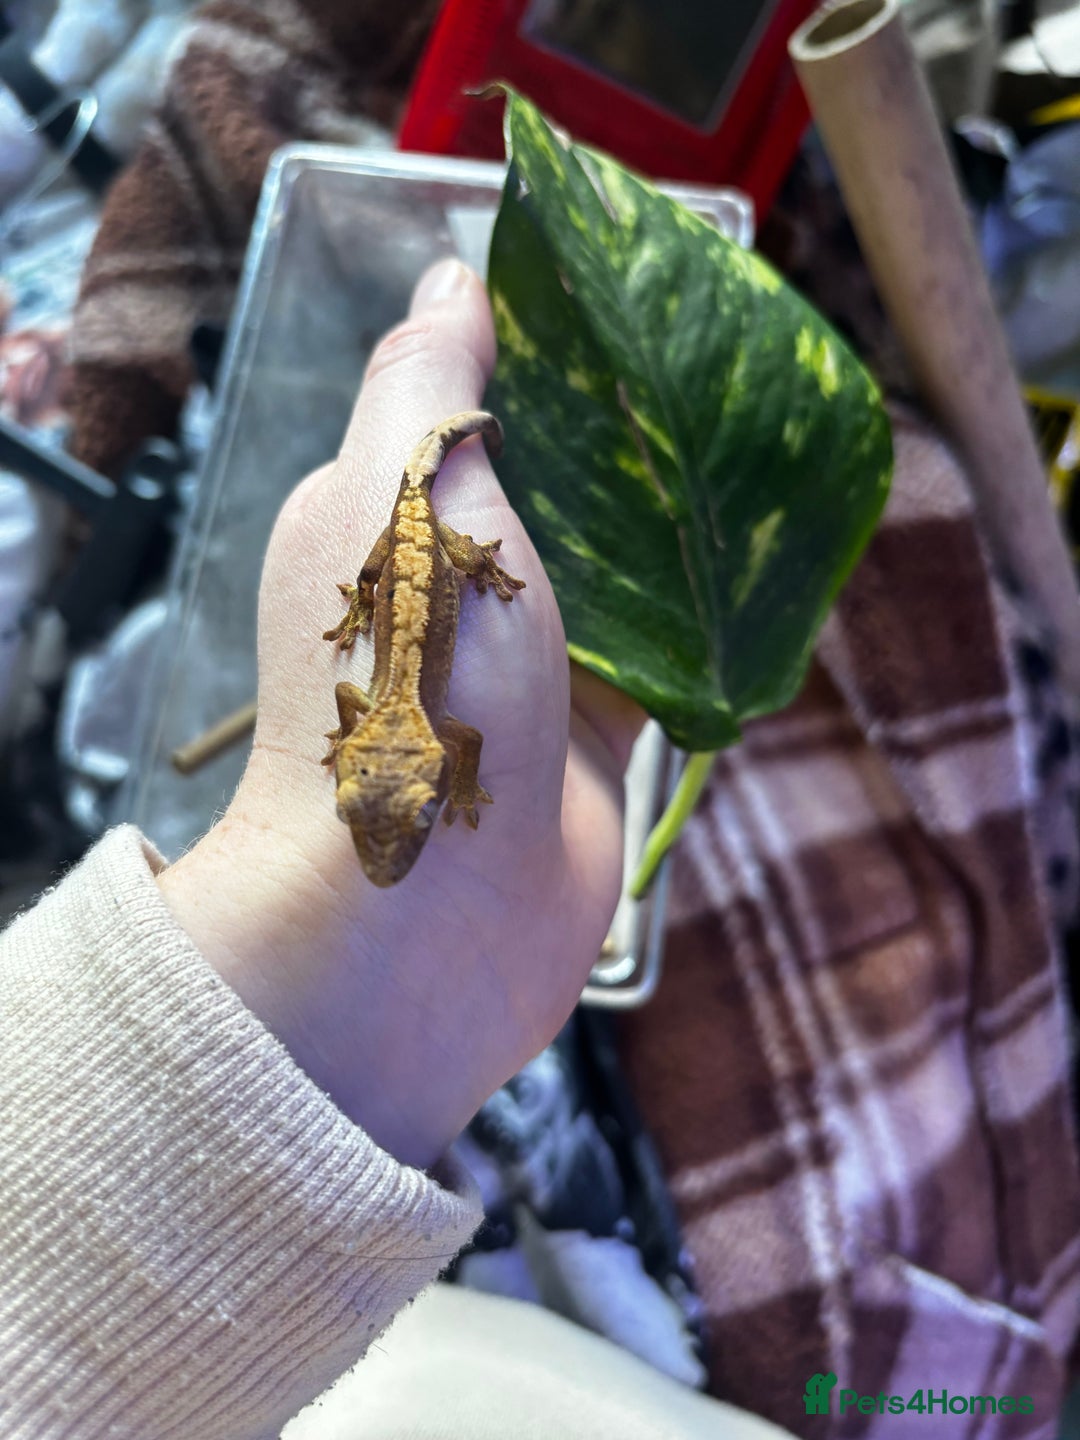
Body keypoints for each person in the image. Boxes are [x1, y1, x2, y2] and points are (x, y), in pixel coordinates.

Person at [0, 259, 793, 1439]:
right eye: (394, 814)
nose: (390, 833)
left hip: (430, 569)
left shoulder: (418, 743)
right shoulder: (381, 741)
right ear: (383, 767)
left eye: (397, 815)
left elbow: (433, 727)